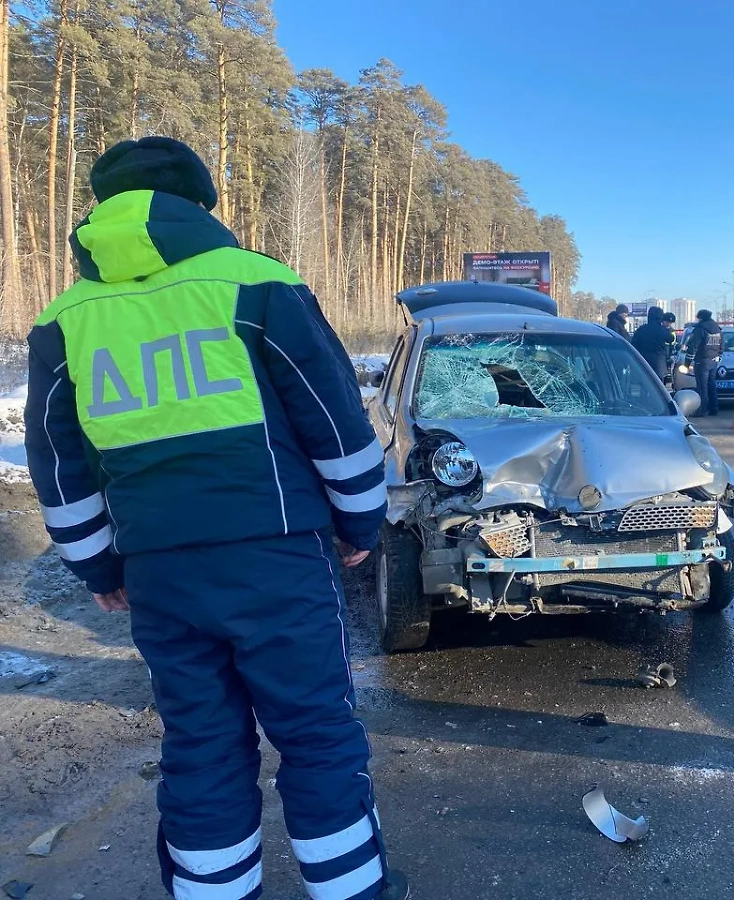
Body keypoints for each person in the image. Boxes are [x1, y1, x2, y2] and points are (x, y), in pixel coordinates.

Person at [23, 137, 408, 900]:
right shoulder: (255, 282)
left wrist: (96, 565)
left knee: (200, 740)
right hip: (277, 555)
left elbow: (56, 460)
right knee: (315, 731)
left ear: (101, 211)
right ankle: (350, 890)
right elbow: (334, 420)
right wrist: (361, 525)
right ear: (198, 205)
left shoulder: (64, 318)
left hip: (159, 569)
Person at [684, 309, 723, 416]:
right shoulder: (718, 330)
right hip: (713, 361)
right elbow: (721, 347)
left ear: (700, 318)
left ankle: (702, 409)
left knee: (702, 387)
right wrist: (717, 357)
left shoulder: (700, 330)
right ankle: (714, 407)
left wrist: (686, 364)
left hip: (702, 362)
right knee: (712, 385)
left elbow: (693, 348)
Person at [631, 305, 675, 383]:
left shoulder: (641, 329)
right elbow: (670, 338)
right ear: (660, 317)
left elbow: (633, 345)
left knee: (645, 385)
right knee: (658, 387)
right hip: (659, 364)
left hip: (643, 362)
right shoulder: (662, 330)